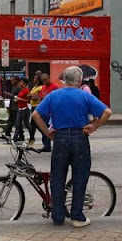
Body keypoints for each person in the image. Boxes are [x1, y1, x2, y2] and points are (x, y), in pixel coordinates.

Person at [32, 66, 112, 227]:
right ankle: (77, 217)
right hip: (79, 137)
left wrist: (47, 132)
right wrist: (94, 126)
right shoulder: (84, 95)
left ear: (64, 80)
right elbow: (107, 112)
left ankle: (58, 216)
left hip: (60, 138)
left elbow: (35, 115)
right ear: (80, 80)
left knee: (57, 178)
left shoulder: (54, 95)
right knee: (80, 177)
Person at [39, 73, 59, 152]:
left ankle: (48, 145)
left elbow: (58, 98)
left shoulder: (55, 86)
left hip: (51, 112)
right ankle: (46, 145)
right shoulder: (43, 87)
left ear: (49, 78)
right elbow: (41, 98)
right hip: (45, 111)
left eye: (45, 80)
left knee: (50, 128)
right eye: (43, 81)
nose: (44, 82)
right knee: (44, 128)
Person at [13, 78, 33, 143]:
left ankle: (32, 136)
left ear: (24, 83)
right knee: (17, 124)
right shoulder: (21, 90)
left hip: (25, 109)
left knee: (27, 124)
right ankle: (15, 138)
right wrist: (17, 100)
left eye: (21, 82)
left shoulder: (26, 91)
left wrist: (20, 99)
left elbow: (28, 101)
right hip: (19, 109)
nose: (19, 83)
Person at [28, 75, 43, 145]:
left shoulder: (40, 88)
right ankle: (32, 138)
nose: (33, 79)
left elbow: (35, 98)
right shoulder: (34, 87)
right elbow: (28, 95)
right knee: (34, 124)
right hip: (33, 106)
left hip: (37, 106)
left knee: (34, 123)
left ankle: (44, 134)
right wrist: (31, 95)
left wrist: (31, 96)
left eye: (35, 78)